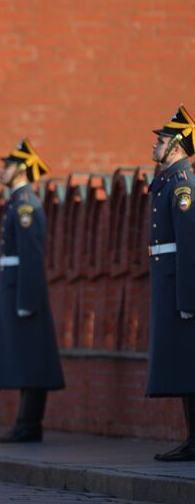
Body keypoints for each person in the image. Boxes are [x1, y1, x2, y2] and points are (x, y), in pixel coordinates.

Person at [0, 139, 65, 443]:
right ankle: (24, 421)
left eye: (7, 166)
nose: (2, 170)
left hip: (23, 288)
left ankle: (29, 423)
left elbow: (32, 255)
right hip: (15, 285)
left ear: (20, 170)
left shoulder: (25, 206)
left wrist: (27, 298)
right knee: (22, 355)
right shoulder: (17, 202)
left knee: (31, 356)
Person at [147, 105, 195, 462]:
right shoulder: (167, 181)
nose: (154, 146)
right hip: (168, 280)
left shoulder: (182, 185)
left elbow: (189, 243)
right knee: (181, 361)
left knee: (187, 360)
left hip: (179, 283)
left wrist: (188, 296)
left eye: (161, 140)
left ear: (176, 147)